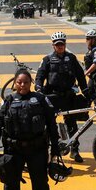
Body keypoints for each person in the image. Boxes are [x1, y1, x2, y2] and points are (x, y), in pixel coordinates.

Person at [0, 69, 60, 190]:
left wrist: (55, 146)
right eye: (19, 82)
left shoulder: (41, 99)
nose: (22, 85)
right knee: (10, 184)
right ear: (15, 83)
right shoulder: (7, 101)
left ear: (31, 83)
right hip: (13, 150)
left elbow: (51, 124)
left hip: (37, 149)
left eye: (26, 82)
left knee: (40, 184)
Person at [35, 31, 88, 162]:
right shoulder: (47, 59)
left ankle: (74, 150)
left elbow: (80, 76)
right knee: (50, 124)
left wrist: (86, 91)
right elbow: (40, 76)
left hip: (68, 96)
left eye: (62, 44)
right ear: (53, 45)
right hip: (52, 96)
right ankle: (53, 149)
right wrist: (38, 88)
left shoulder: (71, 58)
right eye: (57, 44)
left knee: (72, 123)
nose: (60, 46)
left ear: (65, 44)